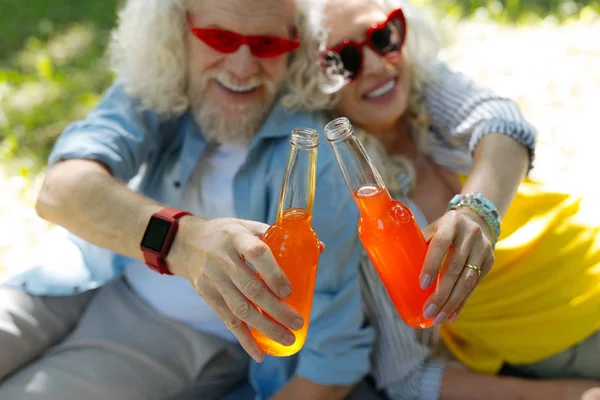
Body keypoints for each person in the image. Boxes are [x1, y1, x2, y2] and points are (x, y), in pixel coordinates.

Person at [0, 0, 379, 398]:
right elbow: (60, 190)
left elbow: (333, 363)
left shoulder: (313, 159)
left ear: (296, 46)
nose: (242, 66)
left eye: (266, 44)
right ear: (179, 31)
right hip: (81, 274)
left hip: (170, 333)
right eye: (219, 38)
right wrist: (182, 241)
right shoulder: (162, 82)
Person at [286, 0, 600, 398]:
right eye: (344, 60)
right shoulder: (360, 210)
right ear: (312, 80)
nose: (379, 66)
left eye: (382, 37)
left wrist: (476, 213)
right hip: (568, 342)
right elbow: (409, 376)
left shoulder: (426, 91)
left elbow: (503, 120)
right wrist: (572, 394)